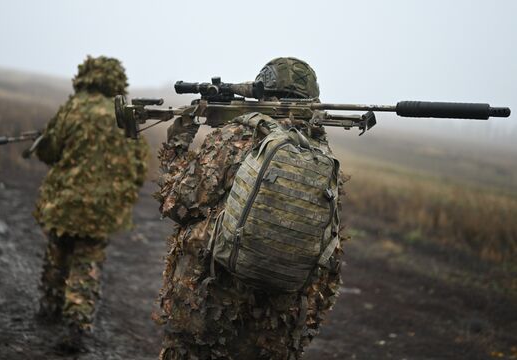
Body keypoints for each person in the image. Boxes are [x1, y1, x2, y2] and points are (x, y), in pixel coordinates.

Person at [155, 57, 345, 359]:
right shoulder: (321, 156)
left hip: (207, 308)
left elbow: (177, 204)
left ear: (262, 93)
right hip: (275, 327)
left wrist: (177, 143)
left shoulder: (237, 136)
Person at [33, 55, 150, 352]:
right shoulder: (126, 114)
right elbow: (139, 166)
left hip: (65, 201)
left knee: (57, 252)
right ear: (116, 79)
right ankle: (77, 323)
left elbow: (48, 151)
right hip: (103, 209)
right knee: (87, 262)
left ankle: (49, 307)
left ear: (85, 75)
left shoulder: (74, 107)